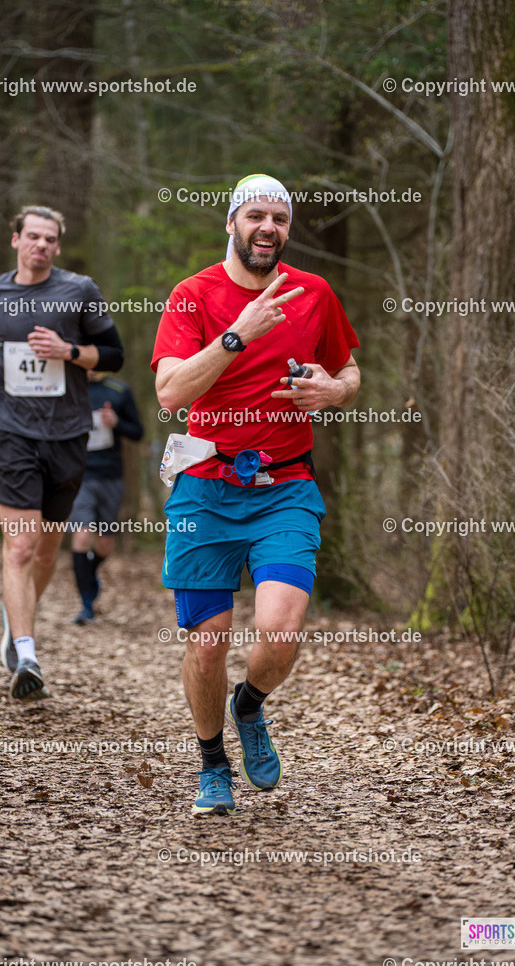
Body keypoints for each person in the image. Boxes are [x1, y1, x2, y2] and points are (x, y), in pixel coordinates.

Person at [152, 173, 360, 815]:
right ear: (232, 223)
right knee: (207, 644)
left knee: (280, 631)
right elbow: (170, 393)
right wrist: (238, 333)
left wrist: (334, 390)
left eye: (280, 218)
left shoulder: (313, 293)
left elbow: (350, 370)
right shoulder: (191, 296)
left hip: (285, 485)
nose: (268, 227)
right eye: (255, 215)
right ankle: (212, 762)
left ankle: (249, 705)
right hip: (204, 489)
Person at [0, 205, 124, 700]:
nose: (42, 245)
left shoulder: (79, 290)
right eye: (33, 236)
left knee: (48, 549)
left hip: (67, 435)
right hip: (10, 432)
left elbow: (113, 355)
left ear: (58, 245)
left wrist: (68, 351)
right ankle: (26, 653)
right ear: (16, 240)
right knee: (19, 546)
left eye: (50, 239)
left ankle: (14, 620)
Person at [69, 370, 144, 624]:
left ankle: (89, 575)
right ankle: (86, 605)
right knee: (81, 536)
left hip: (111, 476)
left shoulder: (119, 390)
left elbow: (138, 432)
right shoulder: (69, 388)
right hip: (80, 475)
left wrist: (116, 423)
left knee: (104, 545)